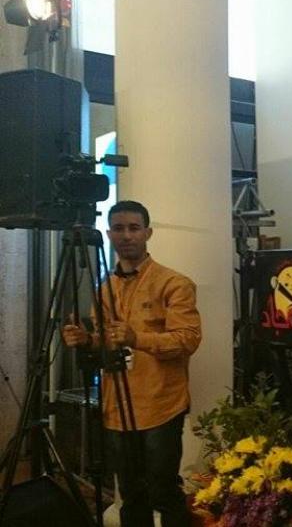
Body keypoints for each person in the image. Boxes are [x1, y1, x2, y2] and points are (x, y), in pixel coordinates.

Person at [61, 200, 201, 527]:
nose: (126, 236)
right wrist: (86, 339)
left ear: (148, 233)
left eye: (134, 228)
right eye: (119, 229)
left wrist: (137, 338)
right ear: (109, 234)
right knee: (130, 494)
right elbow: (105, 340)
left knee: (163, 491)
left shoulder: (174, 283)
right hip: (116, 407)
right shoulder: (104, 288)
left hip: (160, 404)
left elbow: (188, 340)